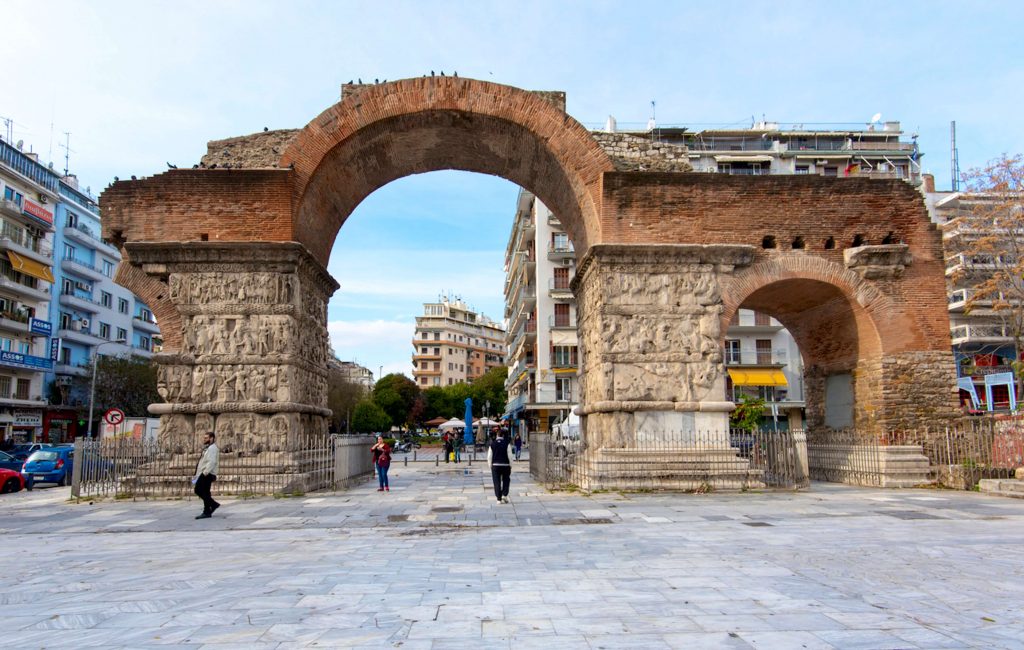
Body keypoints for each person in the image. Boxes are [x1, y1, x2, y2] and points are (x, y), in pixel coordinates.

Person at [193, 431, 220, 519]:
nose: (204, 439)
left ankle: (213, 504)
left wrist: (205, 472)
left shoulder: (212, 448)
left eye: (206, 438)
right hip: (205, 472)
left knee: (198, 489)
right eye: (204, 438)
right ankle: (207, 511)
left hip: (207, 473)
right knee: (206, 492)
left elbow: (212, 461)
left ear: (211, 438)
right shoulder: (208, 448)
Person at [488, 430, 512, 504]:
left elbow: (489, 457)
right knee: (506, 480)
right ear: (503, 436)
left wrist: (490, 465)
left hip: (495, 465)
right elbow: (510, 456)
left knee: (496, 481)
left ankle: (498, 498)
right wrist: (510, 465)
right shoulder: (507, 444)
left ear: (497, 436)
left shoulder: (492, 444)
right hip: (505, 465)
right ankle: (504, 494)